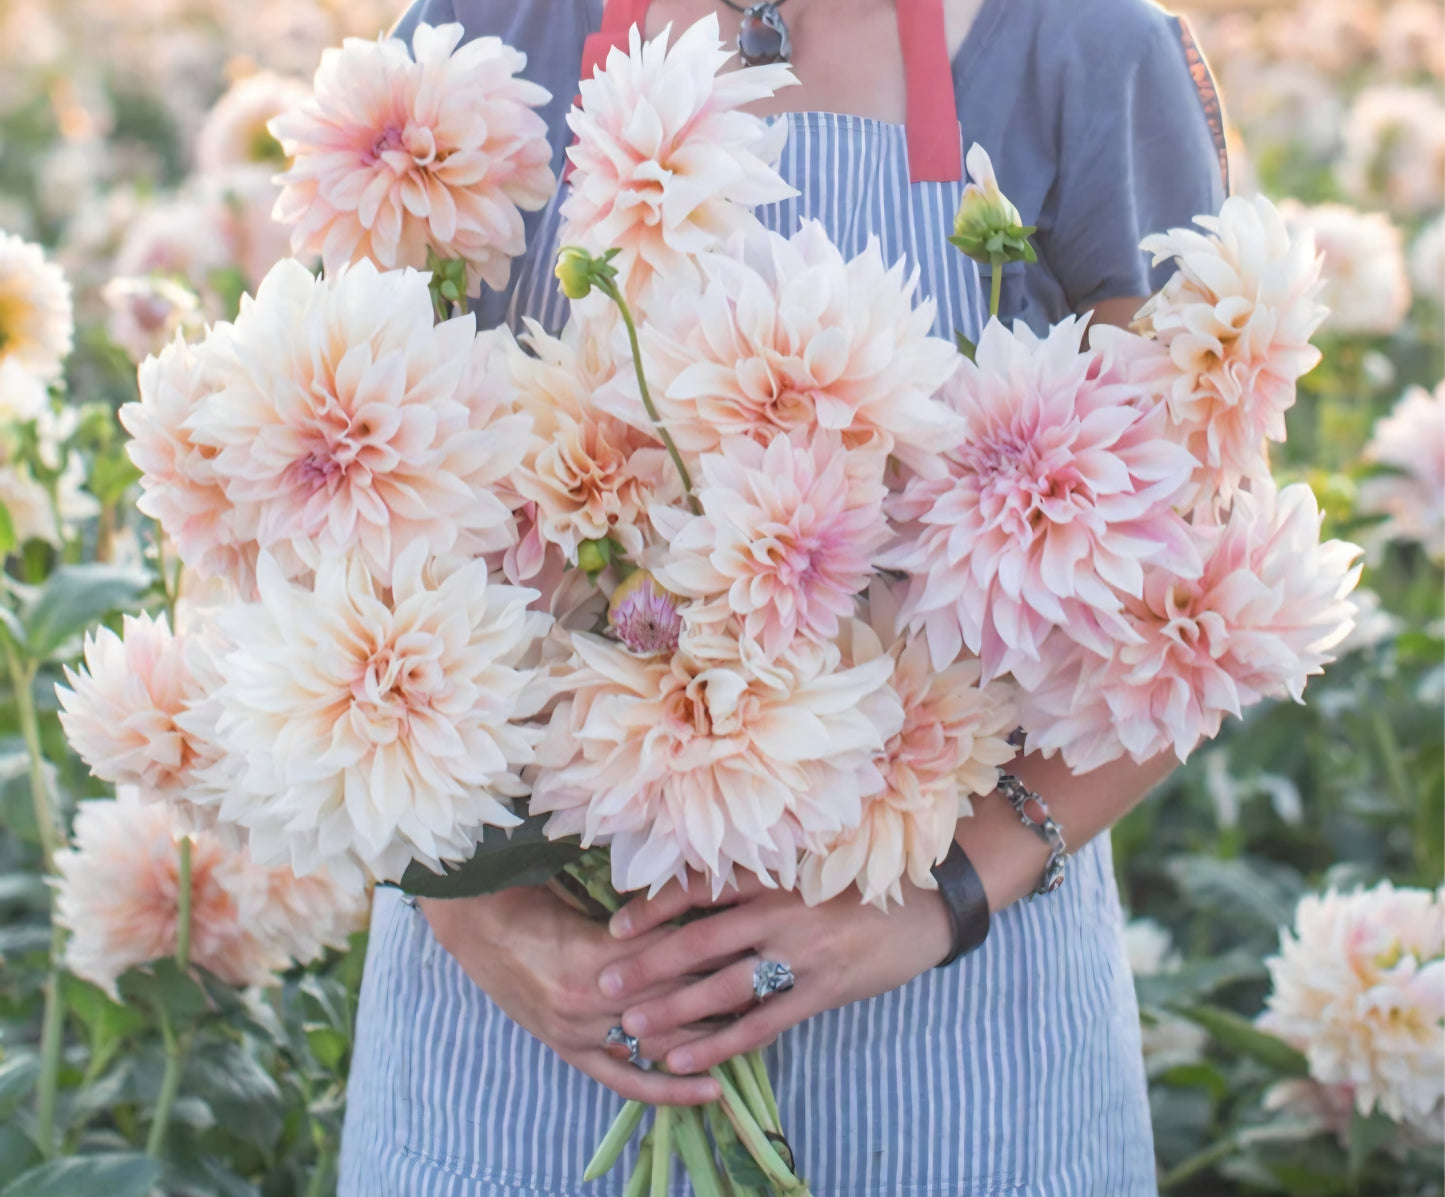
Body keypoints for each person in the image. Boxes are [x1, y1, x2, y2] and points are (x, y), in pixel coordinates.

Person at [338, 1, 1228, 1193]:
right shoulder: (475, 32)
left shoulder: (1086, 49)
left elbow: (1201, 609)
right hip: (520, 1046)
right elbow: (324, 535)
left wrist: (937, 900)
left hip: (948, 1038)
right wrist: (487, 927)